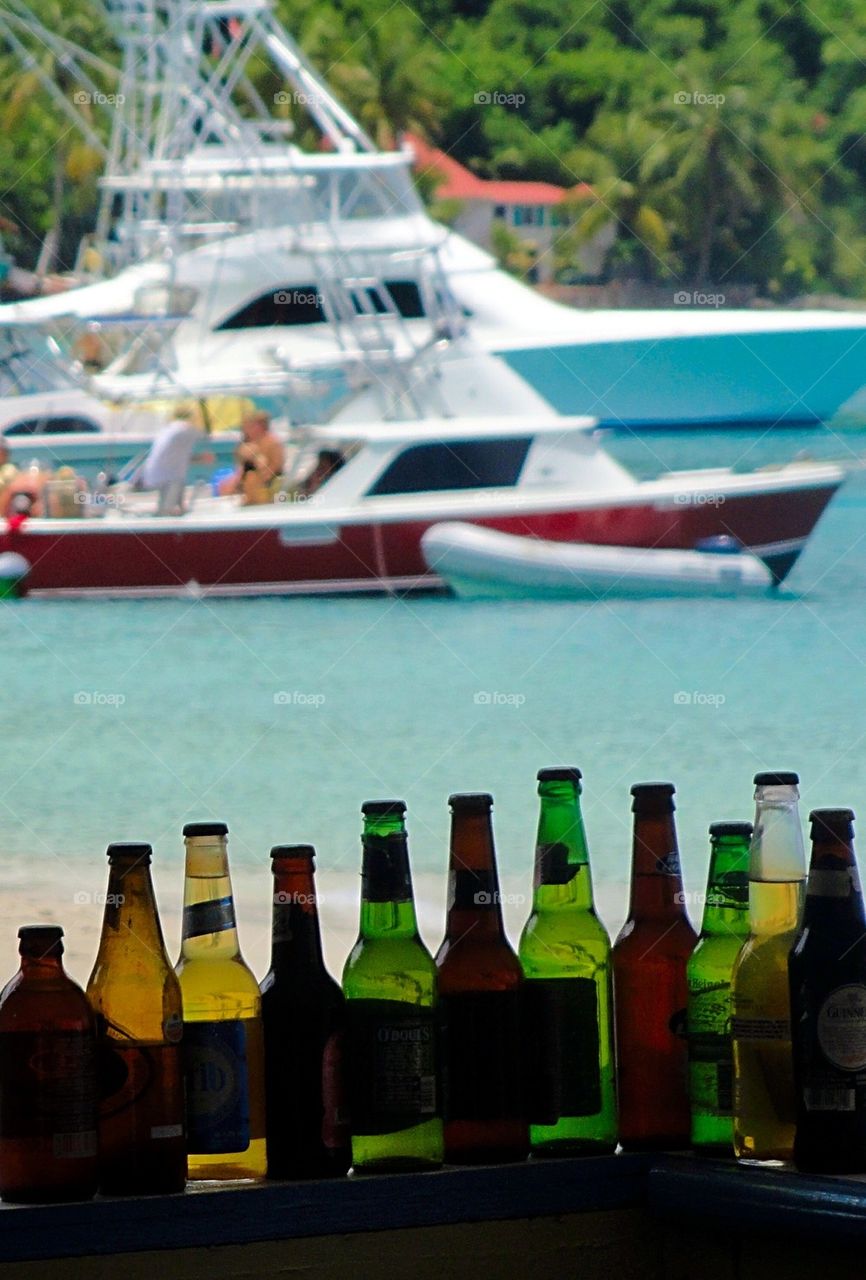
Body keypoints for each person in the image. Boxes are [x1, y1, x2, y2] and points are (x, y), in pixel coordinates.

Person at [139, 405, 213, 516]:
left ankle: (177, 512)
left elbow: (180, 456)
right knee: (167, 510)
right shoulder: (184, 429)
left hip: (155, 473)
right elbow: (205, 435)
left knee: (175, 505)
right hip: (170, 476)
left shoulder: (168, 430)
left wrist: (200, 458)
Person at [230, 410, 285, 505]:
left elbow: (275, 468)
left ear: (260, 426)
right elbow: (240, 466)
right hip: (247, 481)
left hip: (267, 481)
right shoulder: (247, 443)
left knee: (252, 478)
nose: (245, 430)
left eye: (249, 426)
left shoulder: (272, 443)